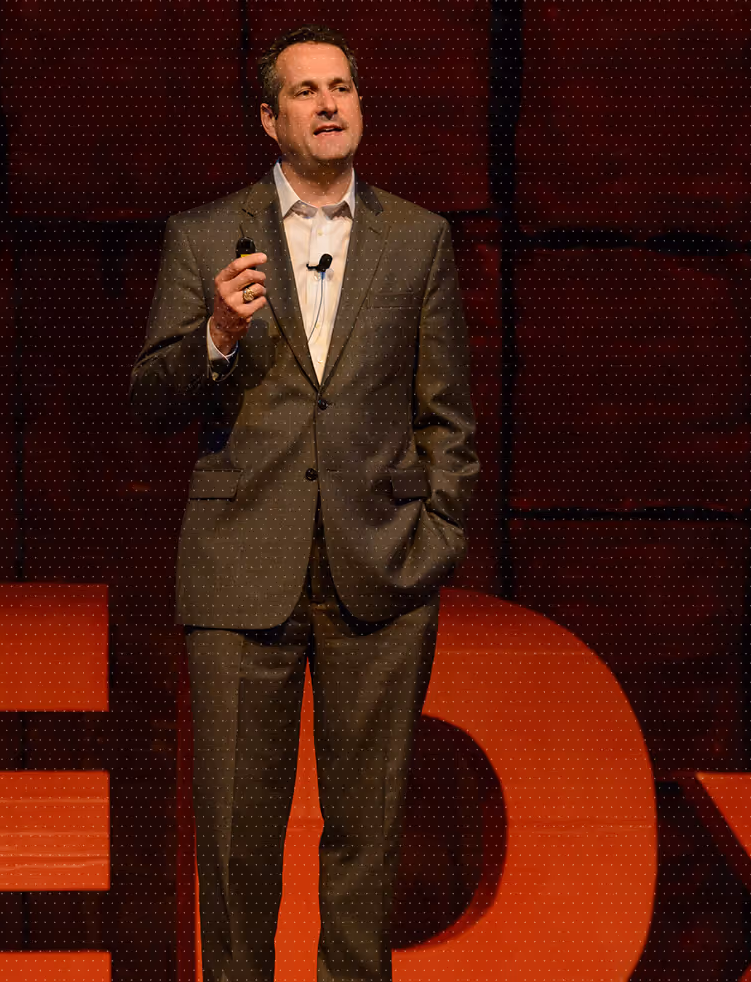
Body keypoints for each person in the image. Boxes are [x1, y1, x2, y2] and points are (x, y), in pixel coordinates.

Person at [129, 25, 479, 982]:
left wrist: (435, 535)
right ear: (269, 119)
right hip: (242, 571)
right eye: (306, 92)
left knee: (367, 837)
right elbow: (151, 397)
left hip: (381, 571)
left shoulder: (418, 238)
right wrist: (215, 332)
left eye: (342, 88)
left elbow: (447, 413)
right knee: (238, 839)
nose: (329, 104)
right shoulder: (205, 235)